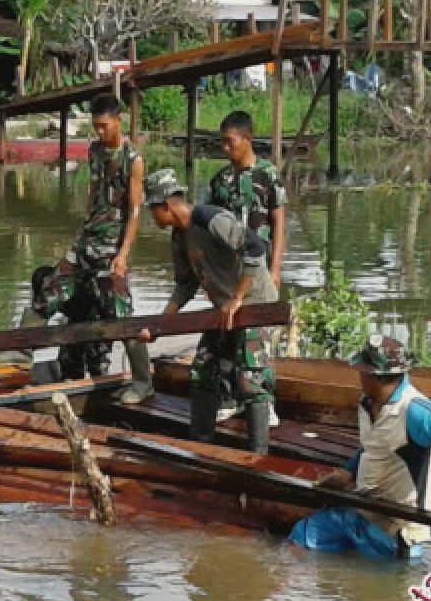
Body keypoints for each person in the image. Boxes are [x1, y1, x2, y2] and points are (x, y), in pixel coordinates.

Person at [289, 336, 431, 560]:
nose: (359, 376)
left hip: (395, 529)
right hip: (358, 510)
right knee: (300, 541)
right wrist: (347, 474)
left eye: (361, 371)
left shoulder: (413, 410)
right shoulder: (368, 403)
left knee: (387, 589)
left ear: (372, 375)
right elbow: (372, 445)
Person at [139, 168, 277, 452]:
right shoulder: (179, 237)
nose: (152, 218)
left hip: (255, 304)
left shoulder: (211, 219)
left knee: (250, 379)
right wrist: (163, 323)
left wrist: (238, 297)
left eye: (153, 211)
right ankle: (200, 443)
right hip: (224, 310)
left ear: (166, 205)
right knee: (203, 371)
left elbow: (255, 248)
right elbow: (185, 285)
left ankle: (258, 455)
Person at [32, 94, 153, 404]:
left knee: (120, 313)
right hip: (87, 240)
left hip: (112, 247)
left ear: (118, 121)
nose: (100, 132)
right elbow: (93, 190)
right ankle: (14, 356)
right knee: (50, 288)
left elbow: (135, 211)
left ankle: (142, 381)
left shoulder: (132, 159)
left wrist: (123, 255)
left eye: (104, 126)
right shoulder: (95, 151)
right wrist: (82, 229)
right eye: (95, 127)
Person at [208, 110, 287, 287]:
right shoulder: (220, 180)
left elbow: (279, 223)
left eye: (230, 142)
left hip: (260, 264)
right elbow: (211, 226)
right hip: (228, 266)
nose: (225, 148)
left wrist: (275, 269)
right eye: (223, 141)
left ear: (247, 139)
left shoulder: (268, 175)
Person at [31, 264, 110, 380]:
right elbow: (42, 312)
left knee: (96, 363)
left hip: (96, 322)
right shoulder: (55, 289)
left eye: (48, 289)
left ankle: (100, 385)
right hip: (75, 323)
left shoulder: (66, 285)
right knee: (69, 363)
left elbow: (47, 309)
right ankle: (73, 379)